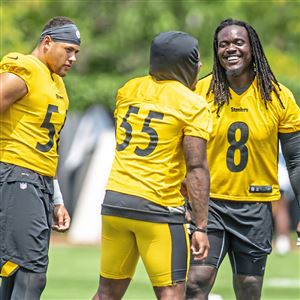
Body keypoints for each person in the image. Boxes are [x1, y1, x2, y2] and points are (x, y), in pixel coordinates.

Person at [92, 31, 211, 300]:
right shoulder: (192, 103)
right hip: (158, 208)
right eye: (197, 60)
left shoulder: (128, 89)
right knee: (171, 293)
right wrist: (201, 226)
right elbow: (196, 167)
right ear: (184, 64)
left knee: (106, 293)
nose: (201, 66)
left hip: (116, 201)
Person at [186, 18, 300, 300]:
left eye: (238, 42)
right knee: (196, 282)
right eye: (223, 44)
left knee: (249, 287)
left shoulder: (278, 96)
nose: (231, 49)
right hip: (209, 204)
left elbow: (296, 159)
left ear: (253, 48)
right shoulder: (200, 92)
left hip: (255, 206)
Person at [0, 16, 81, 299]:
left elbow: (49, 149)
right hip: (16, 174)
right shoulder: (24, 69)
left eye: (76, 53)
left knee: (16, 271)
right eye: (67, 49)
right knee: (33, 273)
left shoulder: (58, 83)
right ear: (47, 43)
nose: (72, 58)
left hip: (39, 181)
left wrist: (57, 198)